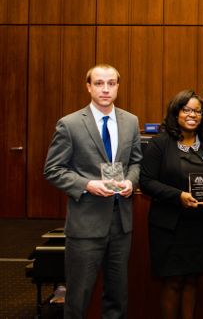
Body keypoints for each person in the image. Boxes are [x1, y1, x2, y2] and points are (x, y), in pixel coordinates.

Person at [43, 64, 142, 319]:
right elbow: (53, 169)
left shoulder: (130, 121)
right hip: (86, 225)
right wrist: (87, 184)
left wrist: (131, 181)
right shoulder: (70, 124)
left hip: (121, 224)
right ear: (88, 87)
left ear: (118, 86)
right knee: (78, 298)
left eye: (111, 83)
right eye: (99, 83)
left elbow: (136, 162)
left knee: (117, 298)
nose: (106, 89)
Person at [139, 90, 203, 319]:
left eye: (197, 110)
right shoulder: (160, 144)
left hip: (199, 224)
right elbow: (145, 182)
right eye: (186, 110)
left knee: (193, 279)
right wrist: (178, 196)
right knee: (173, 281)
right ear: (176, 113)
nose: (192, 115)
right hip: (168, 225)